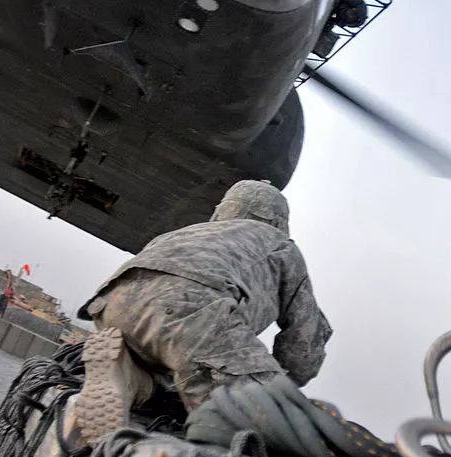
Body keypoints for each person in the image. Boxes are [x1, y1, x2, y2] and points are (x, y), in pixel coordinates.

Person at [75, 180, 332, 441]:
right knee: (274, 419)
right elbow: (304, 342)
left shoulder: (187, 233)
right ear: (278, 221)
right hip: (190, 312)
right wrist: (281, 385)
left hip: (111, 306)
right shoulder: (281, 245)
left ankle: (133, 378)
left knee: (179, 367)